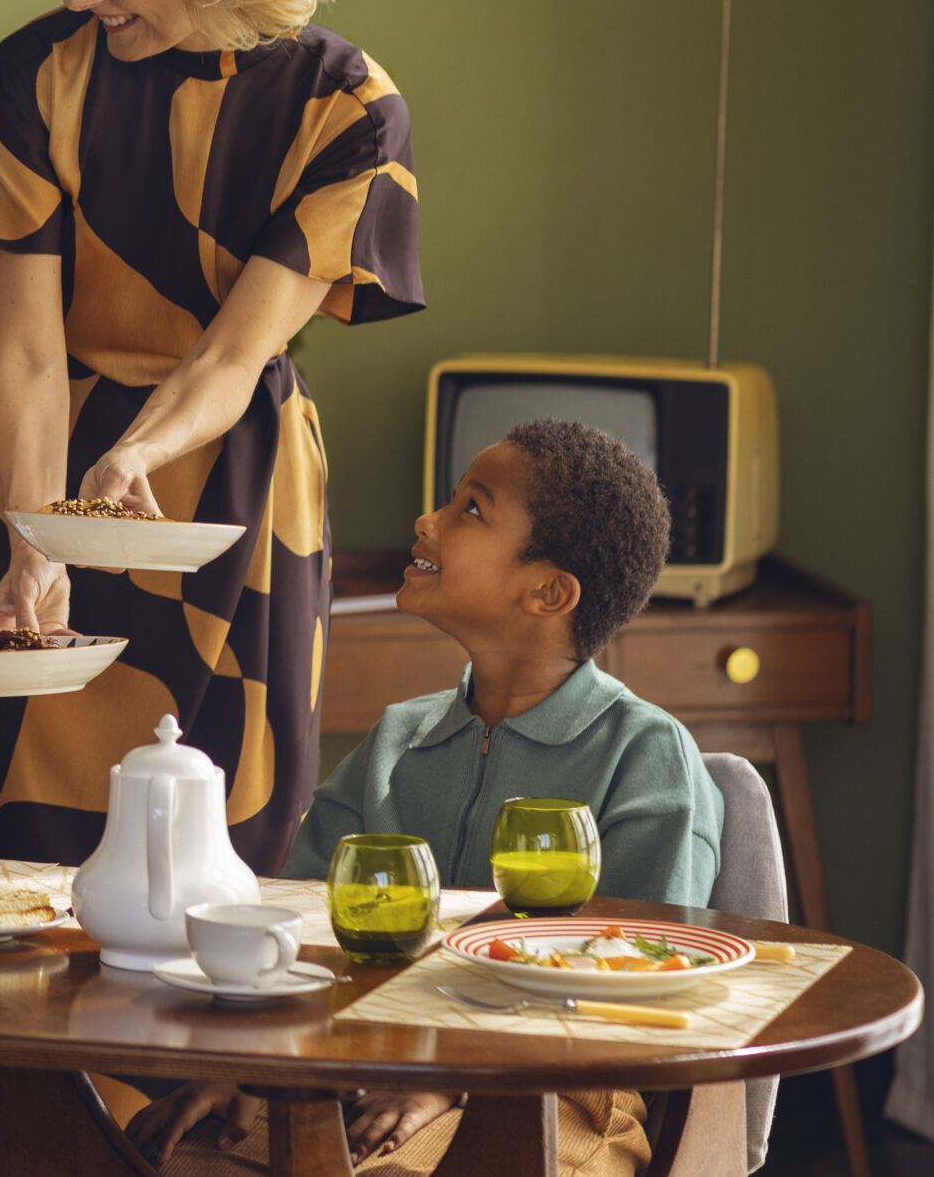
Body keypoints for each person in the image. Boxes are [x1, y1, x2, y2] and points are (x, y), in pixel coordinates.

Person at [0, 0, 424, 872]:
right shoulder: (34, 74)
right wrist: (38, 541)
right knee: (18, 841)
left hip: (236, 476)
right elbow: (23, 351)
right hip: (38, 459)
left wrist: (135, 457)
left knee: (228, 844)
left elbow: (232, 355)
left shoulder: (346, 109)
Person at [126, 420, 724, 1177]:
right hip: (356, 1073)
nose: (427, 520)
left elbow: (635, 987)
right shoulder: (399, 739)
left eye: (471, 508)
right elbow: (304, 933)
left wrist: (460, 1082)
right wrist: (241, 1064)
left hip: (565, 1095)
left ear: (549, 590)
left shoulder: (643, 755)